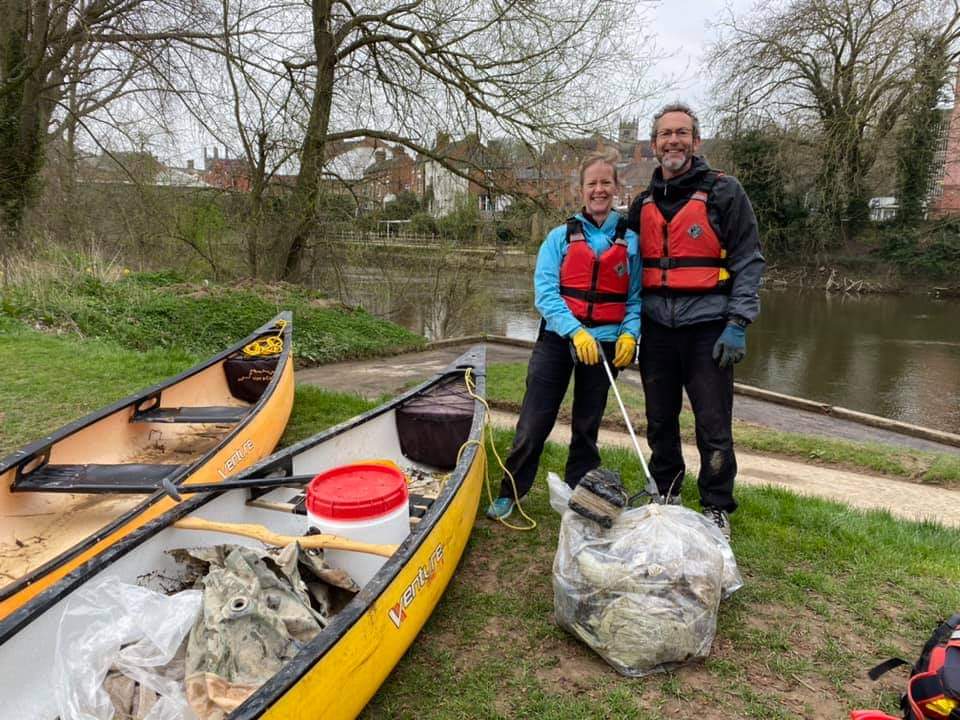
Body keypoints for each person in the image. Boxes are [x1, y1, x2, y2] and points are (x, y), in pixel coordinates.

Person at [627, 102, 765, 539]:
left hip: (710, 328)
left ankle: (716, 506)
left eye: (682, 133)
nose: (673, 141)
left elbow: (749, 259)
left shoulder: (725, 192)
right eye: (665, 134)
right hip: (656, 331)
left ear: (696, 141)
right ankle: (667, 492)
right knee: (660, 420)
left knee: (713, 423)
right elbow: (622, 268)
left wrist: (738, 322)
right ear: (653, 145)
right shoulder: (642, 203)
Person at [486, 150, 642, 520]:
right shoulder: (559, 237)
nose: (599, 190)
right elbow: (545, 294)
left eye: (606, 182)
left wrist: (630, 335)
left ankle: (579, 493)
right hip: (559, 340)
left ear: (616, 188)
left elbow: (635, 298)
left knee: (588, 426)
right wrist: (575, 332)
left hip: (605, 344)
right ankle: (511, 491)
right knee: (534, 420)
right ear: (582, 190)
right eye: (593, 184)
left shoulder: (632, 242)